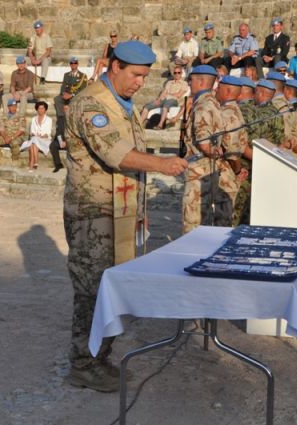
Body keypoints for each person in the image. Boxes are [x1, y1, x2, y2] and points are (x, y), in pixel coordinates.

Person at [63, 40, 187, 392]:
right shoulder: (91, 103)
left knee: (112, 288)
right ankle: (83, 364)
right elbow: (117, 154)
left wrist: (140, 210)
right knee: (92, 290)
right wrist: (162, 164)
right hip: (94, 214)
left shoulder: (123, 104)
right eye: (135, 75)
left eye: (145, 77)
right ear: (115, 66)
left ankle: (100, 356)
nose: (139, 83)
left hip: (119, 211)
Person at [182, 65, 229, 233]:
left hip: (198, 169)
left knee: (193, 221)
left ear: (201, 81)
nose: (189, 83)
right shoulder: (214, 103)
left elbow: (204, 144)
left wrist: (212, 151)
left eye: (191, 80)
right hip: (209, 169)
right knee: (205, 217)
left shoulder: (203, 105)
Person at [232, 79, 284, 226]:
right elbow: (279, 143)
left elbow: (236, 139)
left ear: (259, 92)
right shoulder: (277, 114)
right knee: (252, 207)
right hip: (262, 166)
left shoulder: (244, 110)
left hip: (242, 166)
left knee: (238, 206)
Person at [215, 75, 250, 219]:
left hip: (225, 175)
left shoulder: (228, 114)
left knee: (221, 220)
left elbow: (232, 152)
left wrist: (238, 170)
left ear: (227, 90)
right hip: (226, 173)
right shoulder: (235, 110)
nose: (216, 90)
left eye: (219, 88)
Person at [140, 64, 189, 129]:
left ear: (181, 73)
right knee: (146, 107)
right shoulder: (169, 82)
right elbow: (164, 92)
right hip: (164, 99)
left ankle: (160, 125)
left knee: (165, 107)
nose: (177, 74)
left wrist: (169, 94)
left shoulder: (184, 83)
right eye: (175, 73)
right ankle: (139, 124)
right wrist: (159, 99)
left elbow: (179, 94)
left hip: (173, 100)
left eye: (178, 72)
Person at [54, 57, 88, 145]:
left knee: (74, 100)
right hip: (66, 95)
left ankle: (69, 116)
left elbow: (82, 89)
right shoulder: (66, 75)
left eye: (75, 63)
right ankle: (61, 116)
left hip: (75, 96)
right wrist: (63, 94)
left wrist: (71, 95)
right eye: (71, 63)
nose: (73, 65)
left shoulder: (83, 76)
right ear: (70, 64)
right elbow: (63, 86)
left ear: (77, 64)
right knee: (57, 99)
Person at [0, 99, 26, 164]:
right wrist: (5, 137)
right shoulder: (3, 116)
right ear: (8, 107)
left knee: (15, 143)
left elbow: (21, 130)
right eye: (11, 106)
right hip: (5, 137)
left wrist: (11, 138)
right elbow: (1, 129)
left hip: (16, 137)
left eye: (15, 106)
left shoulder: (21, 116)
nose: (13, 108)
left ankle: (15, 160)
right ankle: (0, 158)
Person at [26, 101, 52, 171]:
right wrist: (35, 135)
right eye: (39, 108)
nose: (41, 110)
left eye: (42, 108)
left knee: (34, 142)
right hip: (35, 139)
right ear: (37, 109)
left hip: (45, 140)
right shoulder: (33, 119)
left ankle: (32, 163)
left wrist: (42, 136)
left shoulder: (49, 119)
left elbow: (48, 133)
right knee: (34, 142)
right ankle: (35, 162)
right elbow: (32, 132)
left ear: (45, 109)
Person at [28, 20, 53, 85]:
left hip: (45, 56)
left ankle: (42, 78)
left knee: (45, 60)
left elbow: (48, 51)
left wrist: (39, 60)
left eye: (38, 27)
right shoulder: (33, 37)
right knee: (24, 60)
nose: (37, 29)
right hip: (36, 57)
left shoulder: (47, 37)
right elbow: (29, 51)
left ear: (42, 28)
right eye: (36, 28)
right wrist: (32, 59)